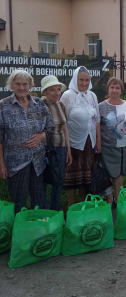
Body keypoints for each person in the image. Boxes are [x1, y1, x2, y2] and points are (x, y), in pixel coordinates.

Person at [0, 69, 55, 213]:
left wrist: (42, 136)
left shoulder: (38, 103)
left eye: (25, 84)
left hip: (38, 160)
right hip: (16, 162)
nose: (21, 87)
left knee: (38, 197)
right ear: (11, 85)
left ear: (30, 85)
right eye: (17, 84)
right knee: (19, 200)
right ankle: (20, 231)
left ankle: (38, 229)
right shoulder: (3, 105)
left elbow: (51, 127)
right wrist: (2, 165)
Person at [60, 66, 101, 207]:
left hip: (90, 143)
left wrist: (99, 143)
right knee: (72, 177)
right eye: (81, 80)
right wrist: (67, 147)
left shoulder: (92, 95)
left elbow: (98, 121)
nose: (84, 83)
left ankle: (82, 206)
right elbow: (62, 121)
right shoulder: (67, 96)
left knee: (85, 176)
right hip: (74, 143)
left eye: (87, 80)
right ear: (74, 79)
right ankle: (72, 207)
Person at [99, 77, 126, 204]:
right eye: (112, 87)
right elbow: (97, 127)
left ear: (121, 90)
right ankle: (109, 199)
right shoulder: (101, 106)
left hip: (123, 146)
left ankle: (119, 198)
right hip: (107, 146)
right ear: (108, 89)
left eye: (117, 88)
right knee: (108, 173)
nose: (114, 90)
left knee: (119, 173)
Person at [41, 75, 73, 210]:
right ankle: (42, 212)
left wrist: (68, 149)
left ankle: (54, 211)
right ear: (45, 92)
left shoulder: (61, 105)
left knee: (58, 181)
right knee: (42, 183)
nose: (57, 93)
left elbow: (65, 127)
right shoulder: (39, 105)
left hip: (60, 148)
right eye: (52, 90)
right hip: (43, 150)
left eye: (58, 89)